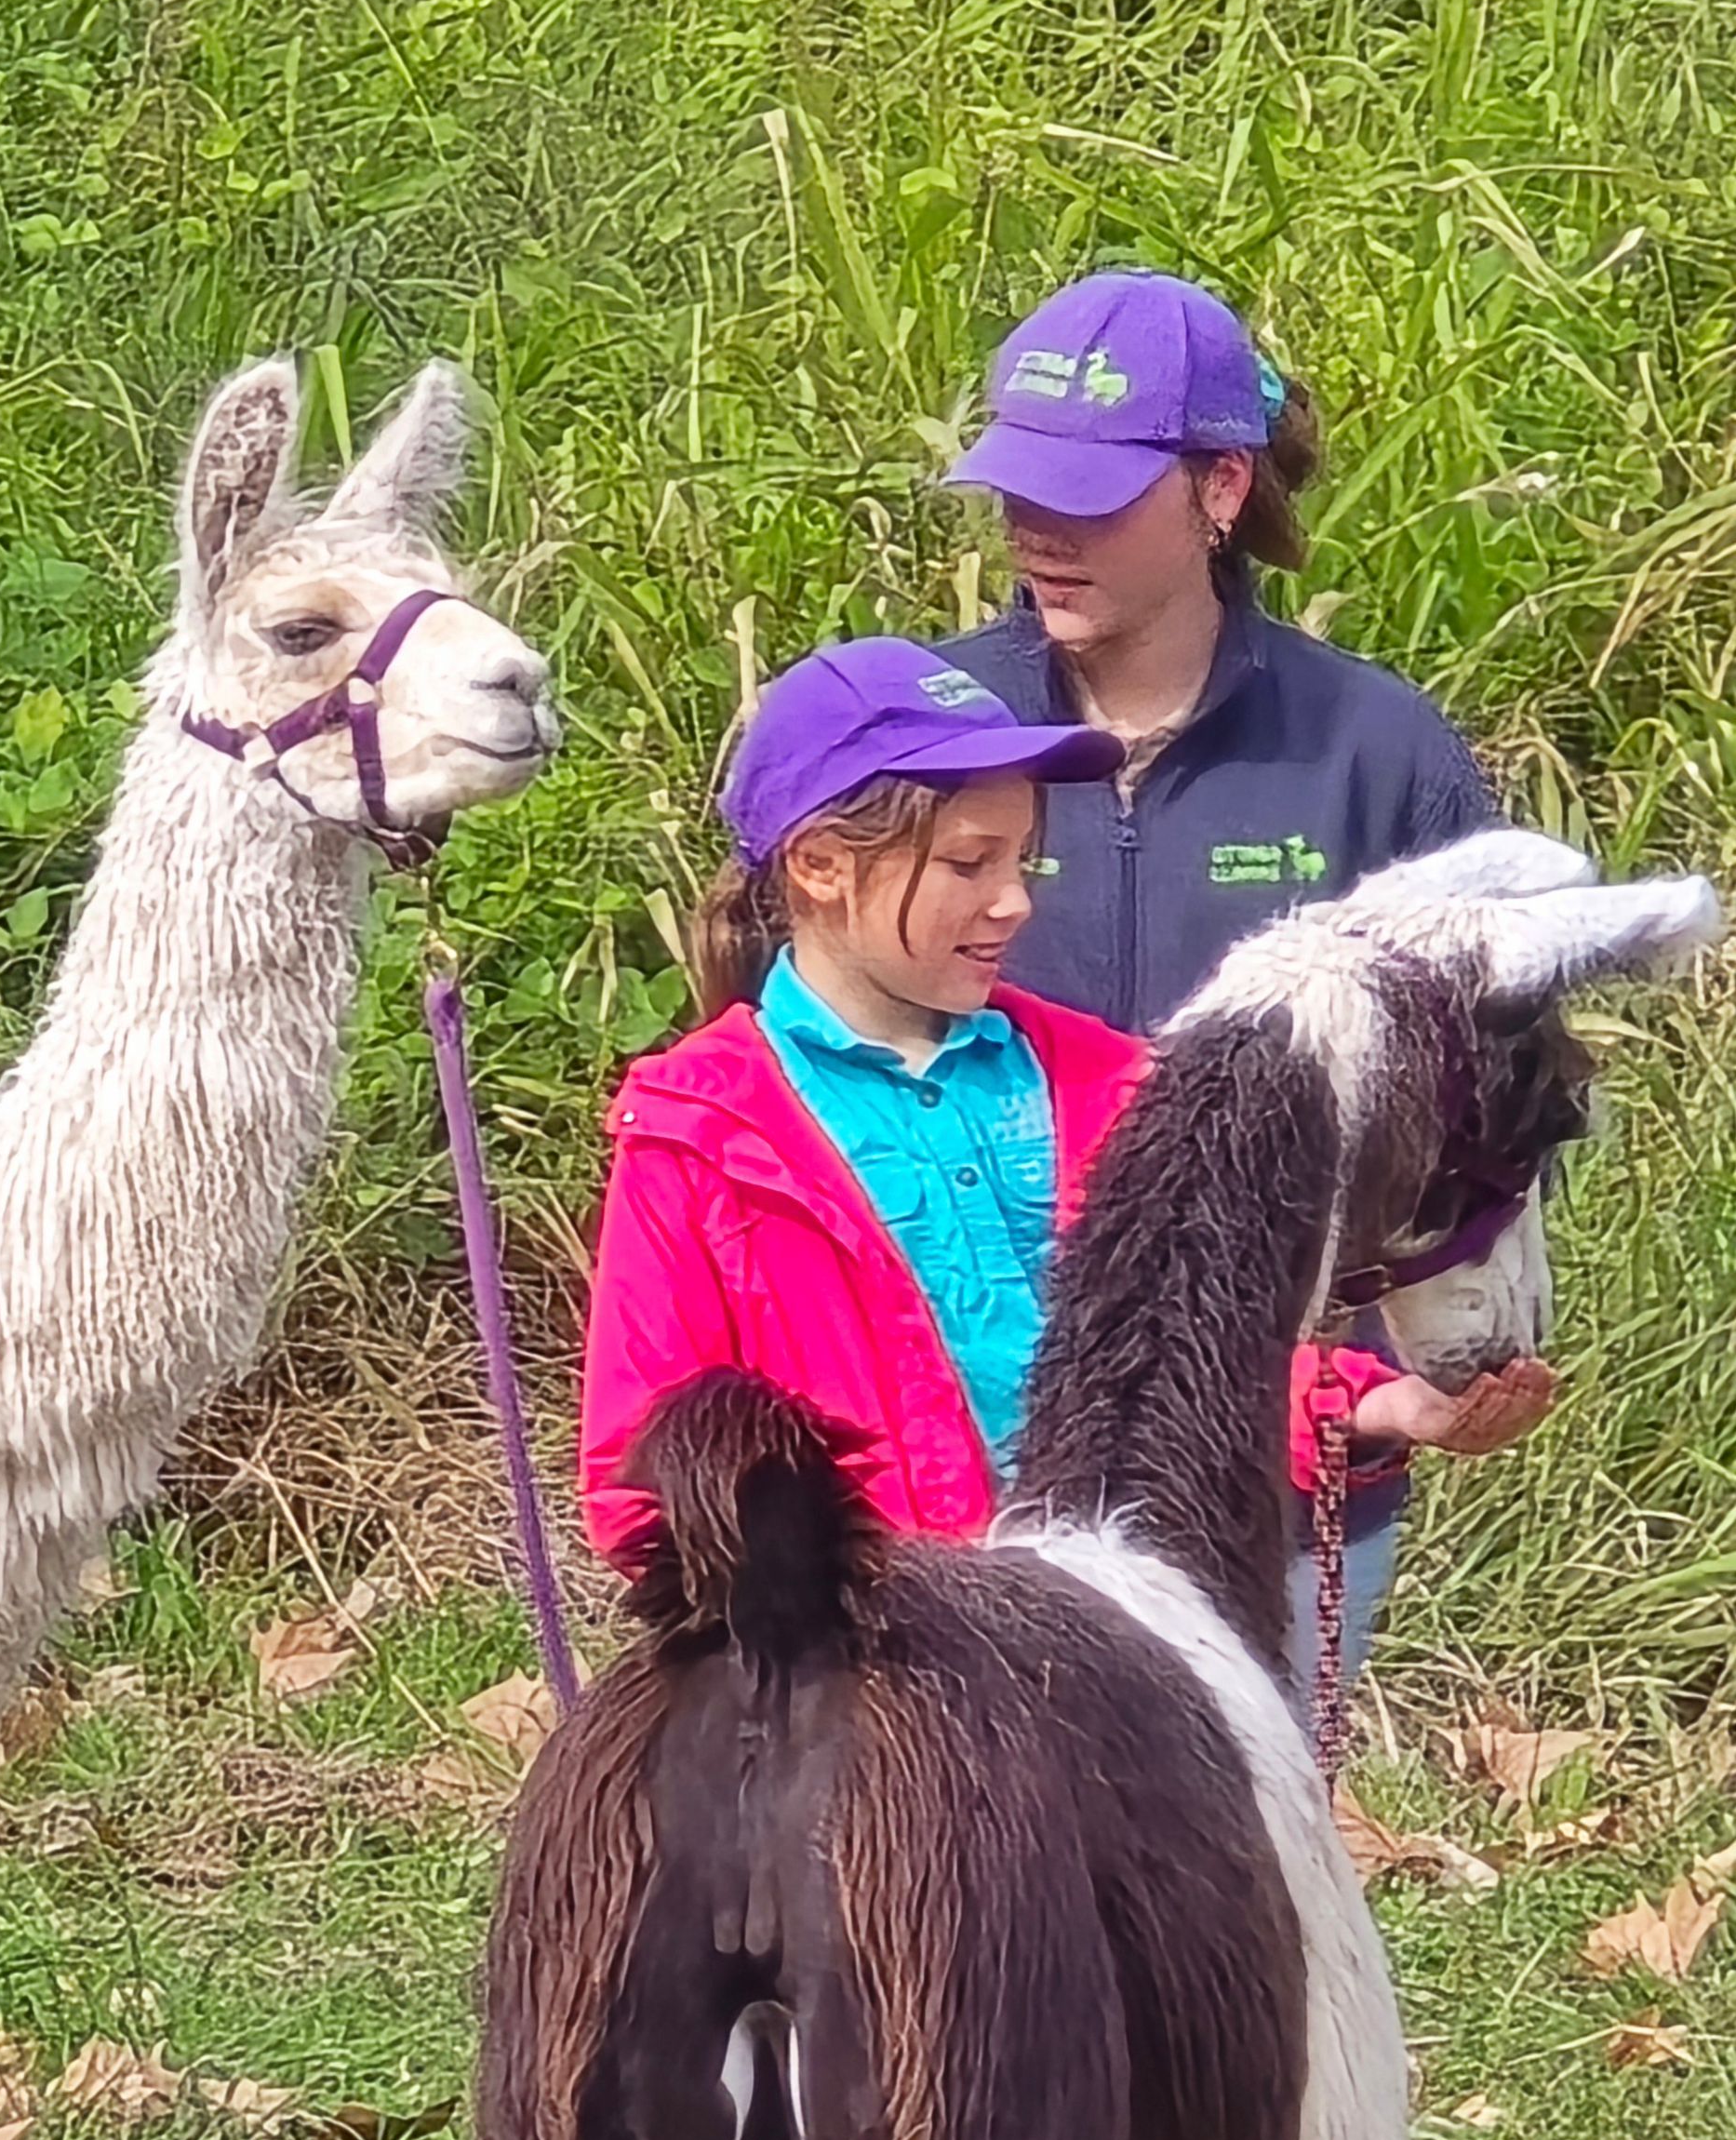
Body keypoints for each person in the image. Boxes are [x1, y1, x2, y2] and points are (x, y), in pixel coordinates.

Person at [577, 635, 1539, 1581]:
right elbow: (638, 1481)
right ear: (822, 865)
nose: (1013, 904)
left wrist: (1374, 1409)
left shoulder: (1107, 1080)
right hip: (872, 1686)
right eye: (969, 865)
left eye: (1023, 864)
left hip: (1124, 1638)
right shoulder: (695, 1132)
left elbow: (1189, 1358)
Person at [936, 268, 1517, 1693]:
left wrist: (1451, 1338)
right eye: (1018, 489)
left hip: (1287, 1444)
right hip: (962, 1446)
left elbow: (1493, 1100)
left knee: (1235, 1885)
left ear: (1219, 486)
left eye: (1088, 496)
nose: (1036, 532)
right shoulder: (928, 726)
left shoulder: (1376, 753)